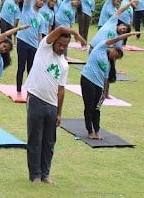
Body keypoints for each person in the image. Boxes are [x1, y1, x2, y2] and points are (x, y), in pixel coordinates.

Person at [24, 25, 86, 185]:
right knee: (35, 139)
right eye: (59, 44)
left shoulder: (64, 64)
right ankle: (35, 175)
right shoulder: (44, 48)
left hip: (52, 105)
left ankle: (45, 174)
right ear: (53, 41)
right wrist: (76, 33)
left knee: (49, 142)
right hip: (36, 99)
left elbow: (61, 90)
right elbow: (60, 28)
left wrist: (59, 112)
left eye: (65, 46)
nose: (61, 48)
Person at [80, 31, 138, 139]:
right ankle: (89, 131)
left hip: (98, 85)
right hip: (87, 79)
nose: (114, 58)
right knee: (89, 106)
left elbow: (106, 79)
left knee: (96, 108)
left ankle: (97, 131)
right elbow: (116, 39)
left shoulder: (109, 63)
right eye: (115, 55)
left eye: (116, 58)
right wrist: (129, 34)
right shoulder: (100, 48)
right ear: (113, 49)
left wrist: (105, 92)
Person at [15, 0, 51, 98]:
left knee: (31, 68)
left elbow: (40, 34)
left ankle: (30, 91)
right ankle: (18, 91)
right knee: (21, 66)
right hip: (22, 40)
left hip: (34, 45)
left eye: (43, 1)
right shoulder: (27, 8)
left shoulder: (41, 18)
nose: (41, 2)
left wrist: (42, 47)